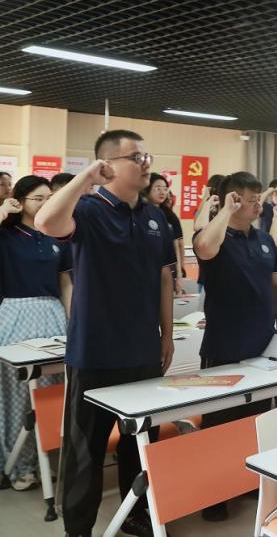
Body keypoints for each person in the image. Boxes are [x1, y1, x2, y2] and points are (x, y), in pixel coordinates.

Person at [36, 129, 177, 537]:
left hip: (143, 351)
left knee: (139, 442)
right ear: (108, 165)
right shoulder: (89, 210)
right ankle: (78, 528)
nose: (146, 164)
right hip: (94, 352)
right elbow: (46, 221)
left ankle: (136, 515)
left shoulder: (154, 216)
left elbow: (164, 278)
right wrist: (85, 178)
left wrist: (166, 336)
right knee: (86, 450)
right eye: (137, 157)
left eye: (147, 156)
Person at [192, 171, 277, 521]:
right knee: (219, 424)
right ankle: (213, 496)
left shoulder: (263, 240)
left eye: (258, 197)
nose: (257, 204)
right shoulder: (215, 235)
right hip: (224, 346)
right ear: (233, 200)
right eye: (249, 199)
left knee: (254, 421)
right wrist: (224, 211)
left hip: (262, 346)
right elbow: (204, 247)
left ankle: (245, 481)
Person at [0, 177, 72, 491]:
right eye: (37, 198)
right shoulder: (7, 234)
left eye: (49, 198)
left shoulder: (56, 235)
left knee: (50, 394)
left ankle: (42, 461)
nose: (44, 203)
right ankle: (17, 466)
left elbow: (66, 282)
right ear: (20, 201)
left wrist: (72, 321)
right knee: (17, 397)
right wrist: (3, 211)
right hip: (15, 315)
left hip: (53, 316)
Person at [144, 174, 186, 295]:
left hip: (167, 270)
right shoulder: (140, 213)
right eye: (158, 188)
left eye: (165, 189)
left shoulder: (169, 216)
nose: (162, 192)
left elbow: (176, 246)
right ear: (147, 189)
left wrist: (179, 274)